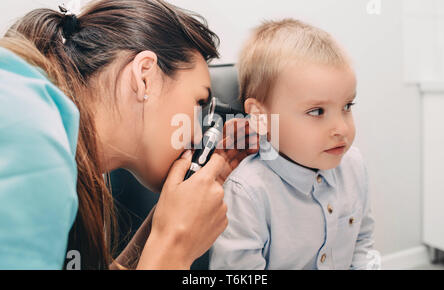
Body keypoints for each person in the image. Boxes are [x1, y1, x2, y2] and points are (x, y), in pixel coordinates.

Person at [0, 0, 257, 270]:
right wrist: (175, 244)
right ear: (145, 75)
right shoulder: (36, 142)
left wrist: (171, 220)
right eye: (198, 103)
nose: (196, 135)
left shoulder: (66, 159)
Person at [209, 19, 380, 270]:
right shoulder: (247, 192)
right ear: (261, 117)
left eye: (347, 106)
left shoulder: (353, 165)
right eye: (317, 111)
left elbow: (362, 244)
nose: (342, 129)